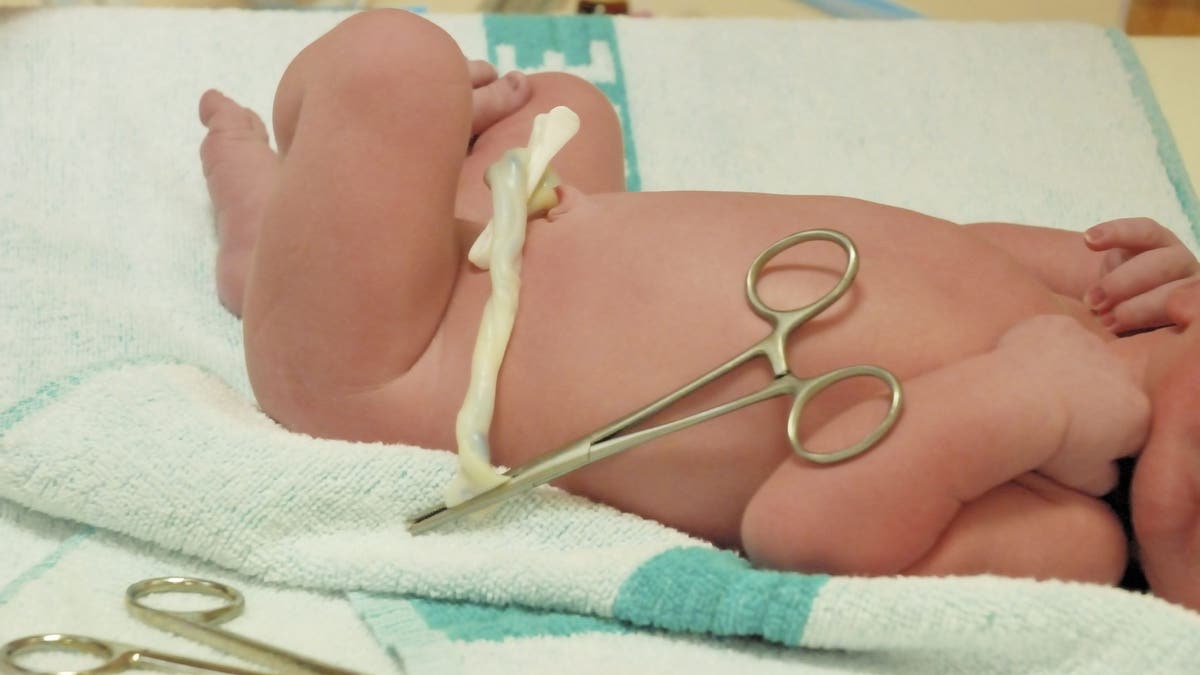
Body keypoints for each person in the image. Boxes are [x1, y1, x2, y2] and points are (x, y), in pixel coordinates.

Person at [198, 9, 1200, 610]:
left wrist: (1023, 403)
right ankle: (304, 235)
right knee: (566, 105)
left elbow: (802, 531)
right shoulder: (1103, 306)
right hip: (537, 227)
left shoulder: (1077, 532)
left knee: (391, 63)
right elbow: (924, 255)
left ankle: (273, 255)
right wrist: (1120, 279)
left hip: (404, 368)